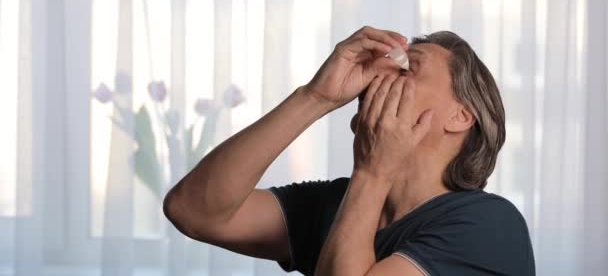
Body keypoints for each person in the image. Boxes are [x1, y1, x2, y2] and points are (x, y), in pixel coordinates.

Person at [163, 26, 536, 276]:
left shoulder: (490, 225)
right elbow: (193, 211)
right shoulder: (335, 203)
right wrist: (315, 97)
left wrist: (372, 172)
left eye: (408, 68)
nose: (379, 74)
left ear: (460, 116)